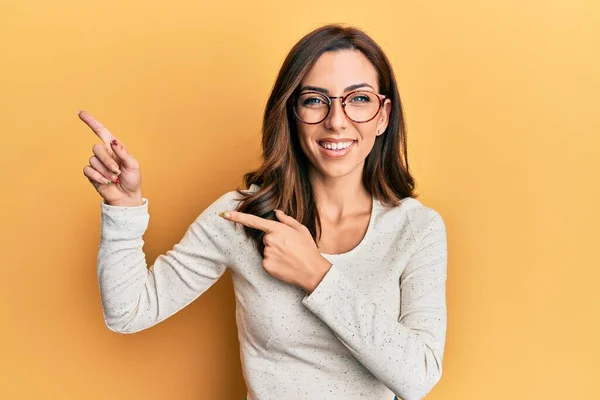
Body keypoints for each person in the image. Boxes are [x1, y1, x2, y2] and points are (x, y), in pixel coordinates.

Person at [80, 23, 448, 400]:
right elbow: (129, 312)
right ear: (291, 112)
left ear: (383, 115)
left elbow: (418, 376)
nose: (336, 121)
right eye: (315, 100)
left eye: (358, 99)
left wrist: (317, 275)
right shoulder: (244, 217)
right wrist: (123, 209)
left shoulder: (417, 229)